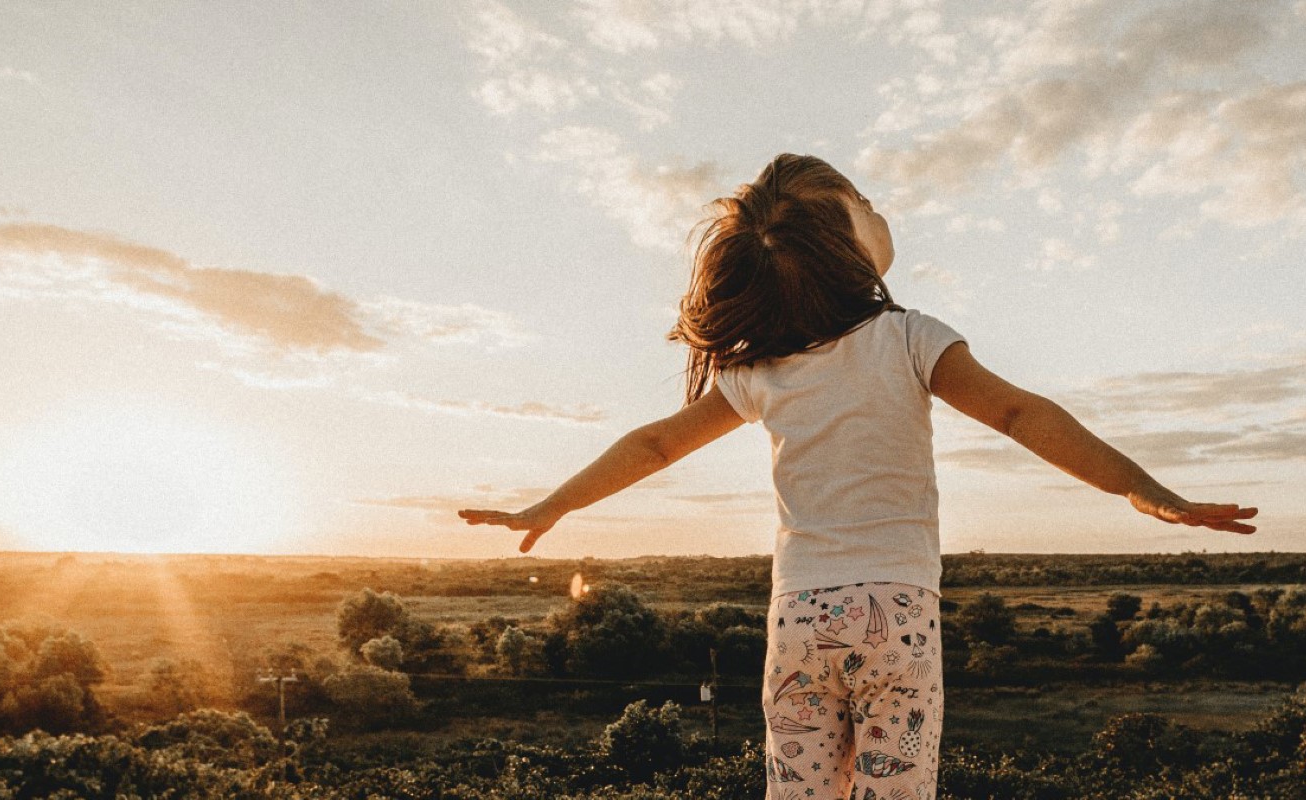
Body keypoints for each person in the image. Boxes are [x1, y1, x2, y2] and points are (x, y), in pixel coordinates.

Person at [460, 153, 1259, 800]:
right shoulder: (910, 339)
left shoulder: (762, 372)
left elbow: (654, 447)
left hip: (799, 618)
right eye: (864, 203)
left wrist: (554, 502)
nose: (881, 211)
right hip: (898, 614)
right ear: (850, 250)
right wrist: (1139, 487)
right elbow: (1021, 415)